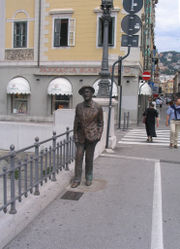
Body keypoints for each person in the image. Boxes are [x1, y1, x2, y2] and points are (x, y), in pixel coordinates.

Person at [71, 85, 104, 188]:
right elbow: (76, 122)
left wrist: (98, 135)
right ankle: (77, 179)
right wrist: (75, 135)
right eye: (84, 92)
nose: (86, 94)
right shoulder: (79, 106)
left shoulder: (98, 107)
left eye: (88, 92)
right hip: (80, 137)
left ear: (92, 93)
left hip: (92, 136)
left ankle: (89, 177)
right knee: (78, 157)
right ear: (82, 94)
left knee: (89, 158)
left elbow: (100, 123)